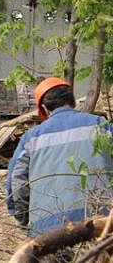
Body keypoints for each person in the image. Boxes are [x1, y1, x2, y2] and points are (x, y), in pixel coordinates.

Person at [7, 77, 113, 238]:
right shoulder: (101, 126)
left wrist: (23, 220)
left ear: (43, 107)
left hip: (49, 231)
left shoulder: (31, 138)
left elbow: (17, 185)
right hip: (101, 224)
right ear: (73, 101)